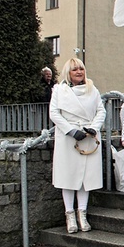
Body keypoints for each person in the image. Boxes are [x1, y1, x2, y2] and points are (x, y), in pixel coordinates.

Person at [49, 58, 106, 234]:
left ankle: (82, 212)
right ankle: (69, 214)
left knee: (85, 178)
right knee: (68, 177)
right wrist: (71, 130)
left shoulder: (92, 89)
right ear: (68, 72)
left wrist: (94, 128)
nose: (79, 72)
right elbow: (54, 113)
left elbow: (101, 110)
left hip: (88, 136)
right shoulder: (59, 90)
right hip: (69, 138)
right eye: (75, 69)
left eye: (81, 68)